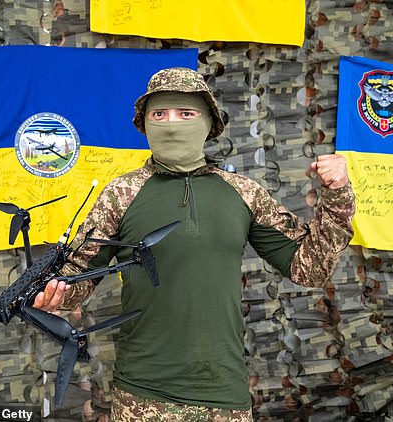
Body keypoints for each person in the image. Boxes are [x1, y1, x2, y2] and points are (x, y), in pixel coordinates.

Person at [33, 67, 355, 421]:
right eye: (159, 114)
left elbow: (310, 267)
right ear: (145, 124)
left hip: (223, 393)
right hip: (143, 393)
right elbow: (79, 275)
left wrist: (337, 195)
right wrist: (56, 296)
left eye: (185, 113)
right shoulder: (121, 194)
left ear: (208, 123)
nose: (171, 125)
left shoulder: (243, 193)